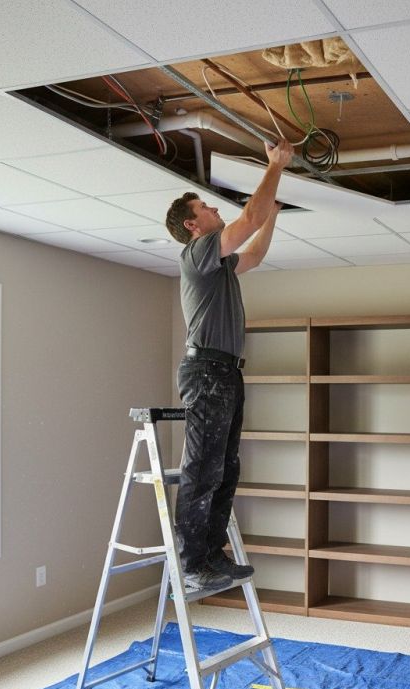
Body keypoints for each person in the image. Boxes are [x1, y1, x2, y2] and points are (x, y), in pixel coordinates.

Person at [165, 139, 294, 591]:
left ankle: (212, 553)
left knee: (226, 467)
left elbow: (255, 252)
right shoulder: (197, 254)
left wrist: (273, 213)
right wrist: (273, 165)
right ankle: (191, 564)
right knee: (202, 468)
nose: (214, 209)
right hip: (206, 372)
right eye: (206, 207)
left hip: (226, 372)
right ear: (191, 224)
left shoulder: (218, 265)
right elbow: (248, 219)